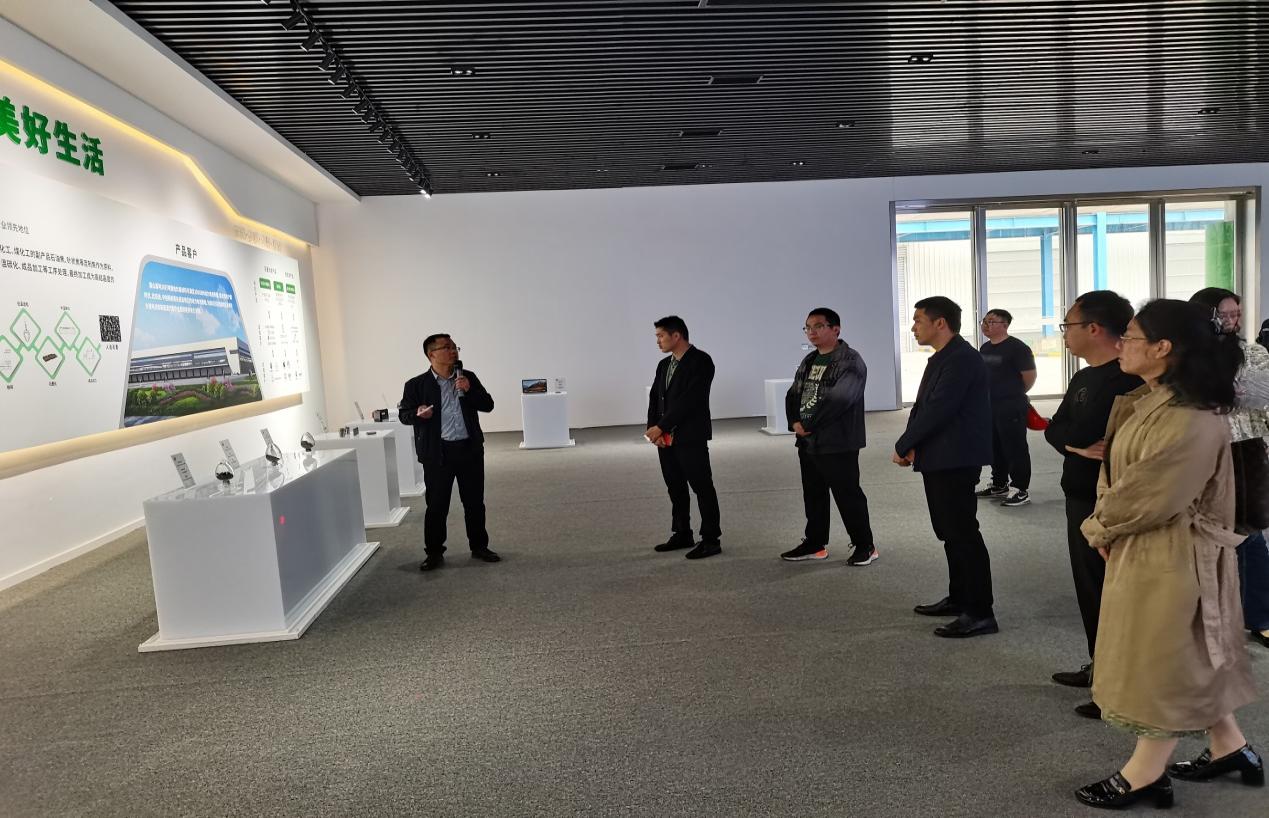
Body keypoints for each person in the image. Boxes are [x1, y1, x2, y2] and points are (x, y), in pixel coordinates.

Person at [1074, 299, 1261, 810]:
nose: (1122, 345)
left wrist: (1099, 527)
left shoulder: (1190, 418)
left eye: (1132, 337)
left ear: (1162, 348)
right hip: (1149, 545)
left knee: (1163, 660)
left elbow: (1151, 494)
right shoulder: (1154, 400)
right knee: (1191, 653)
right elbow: (1122, 477)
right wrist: (1108, 525)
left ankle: (1145, 773)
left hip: (1175, 555)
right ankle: (1230, 746)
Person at [1044, 291, 1142, 720]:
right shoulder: (1084, 377)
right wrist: (1075, 445)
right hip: (1078, 494)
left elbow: (1084, 432)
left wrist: (1073, 439)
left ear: (1094, 329)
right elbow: (1056, 429)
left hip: (1112, 501)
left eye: (1068, 325)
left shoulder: (1128, 381)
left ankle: (1120, 682)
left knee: (1113, 591)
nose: (1064, 334)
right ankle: (1099, 666)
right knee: (1089, 587)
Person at [894, 296, 997, 638]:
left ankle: (980, 612)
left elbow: (940, 408)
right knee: (950, 532)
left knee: (962, 533)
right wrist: (912, 442)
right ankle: (960, 597)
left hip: (956, 457)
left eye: (918, 320)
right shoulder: (944, 356)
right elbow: (924, 406)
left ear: (940, 323)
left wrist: (905, 443)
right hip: (941, 456)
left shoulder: (962, 359)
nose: (913, 327)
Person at [1189, 287, 1269, 650]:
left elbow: (1256, 398)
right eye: (1224, 314)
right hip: (1198, 449)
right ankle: (1210, 615)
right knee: (1204, 533)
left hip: (1245, 447)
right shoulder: (1186, 354)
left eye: (1236, 313)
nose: (1232, 320)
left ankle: (1260, 616)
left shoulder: (1253, 353)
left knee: (1249, 534)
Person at [780, 308, 877, 565]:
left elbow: (840, 400)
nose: (811, 332)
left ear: (836, 329)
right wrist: (794, 422)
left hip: (838, 441)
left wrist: (808, 424)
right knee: (813, 494)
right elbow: (793, 393)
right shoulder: (810, 360)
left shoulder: (850, 361)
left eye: (818, 326)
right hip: (808, 441)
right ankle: (815, 543)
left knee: (847, 494)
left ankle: (865, 545)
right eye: (808, 327)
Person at [399, 334, 500, 572]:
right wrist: (418, 414)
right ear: (431, 354)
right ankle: (434, 552)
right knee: (437, 505)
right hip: (438, 454)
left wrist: (469, 390)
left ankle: (479, 546)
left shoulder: (468, 377)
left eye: (455, 347)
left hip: (469, 450)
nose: (453, 351)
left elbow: (488, 404)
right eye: (447, 347)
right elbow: (405, 414)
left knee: (474, 503)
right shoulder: (416, 385)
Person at [647, 316, 721, 560]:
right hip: (665, 439)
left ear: (676, 335)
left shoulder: (701, 361)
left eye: (661, 336)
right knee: (675, 487)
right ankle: (682, 532)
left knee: (702, 487)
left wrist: (662, 426)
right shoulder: (664, 365)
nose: (658, 341)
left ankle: (711, 539)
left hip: (690, 437)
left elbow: (691, 400)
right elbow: (655, 399)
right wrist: (653, 429)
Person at [976, 308, 1037, 507]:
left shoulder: (1018, 348)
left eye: (991, 321)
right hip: (989, 406)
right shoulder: (985, 348)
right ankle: (999, 483)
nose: (986, 325)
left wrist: (1013, 393)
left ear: (1005, 325)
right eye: (984, 321)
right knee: (995, 446)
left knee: (1014, 446)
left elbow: (1029, 377)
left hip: (1011, 405)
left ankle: (1020, 488)